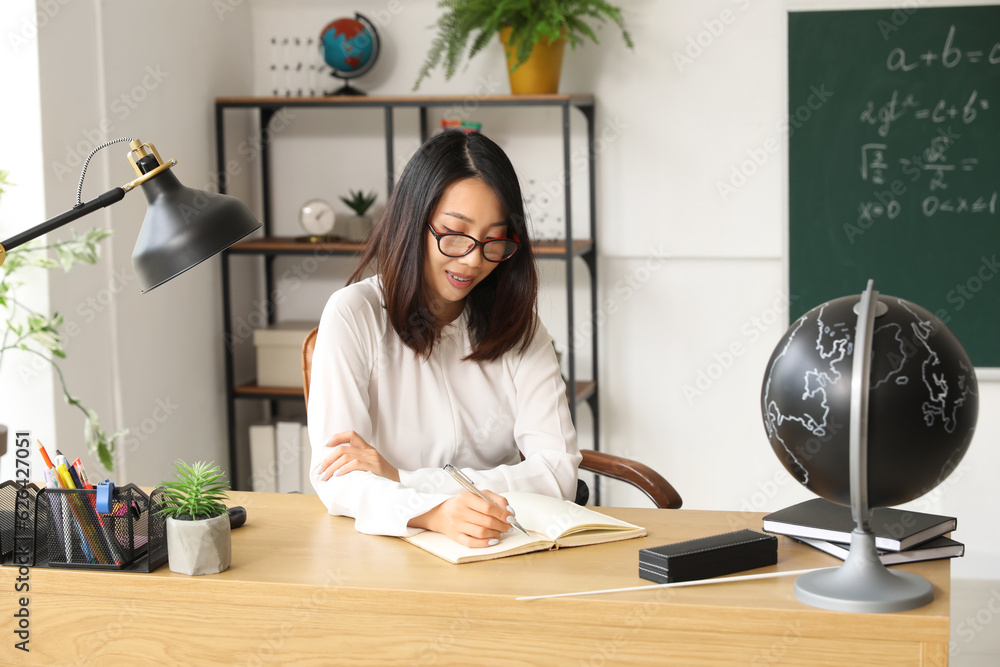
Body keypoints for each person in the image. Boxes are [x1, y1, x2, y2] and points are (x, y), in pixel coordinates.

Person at [307, 130, 580, 548]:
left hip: (501, 544)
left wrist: (404, 479)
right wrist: (433, 515)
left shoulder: (520, 327)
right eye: (454, 233)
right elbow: (338, 480)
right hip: (390, 550)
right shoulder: (353, 314)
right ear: (413, 222)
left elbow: (559, 472)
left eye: (494, 240)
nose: (473, 260)